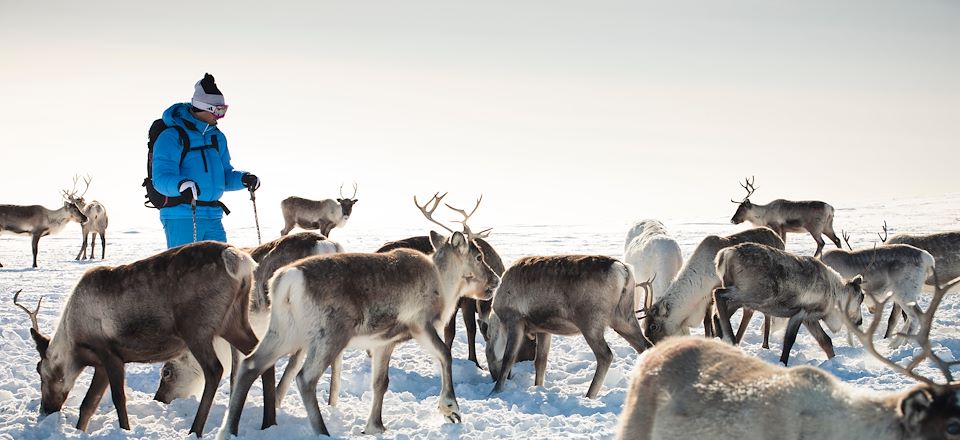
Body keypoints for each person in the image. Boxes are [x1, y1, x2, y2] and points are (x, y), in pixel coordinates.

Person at [151, 73, 260, 248]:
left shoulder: (217, 137)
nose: (220, 116)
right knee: (186, 273)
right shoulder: (172, 136)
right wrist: (181, 185)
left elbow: (224, 177)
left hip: (213, 216)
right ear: (204, 107)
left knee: (221, 272)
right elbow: (161, 178)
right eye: (218, 110)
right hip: (182, 216)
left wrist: (243, 179)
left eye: (224, 110)